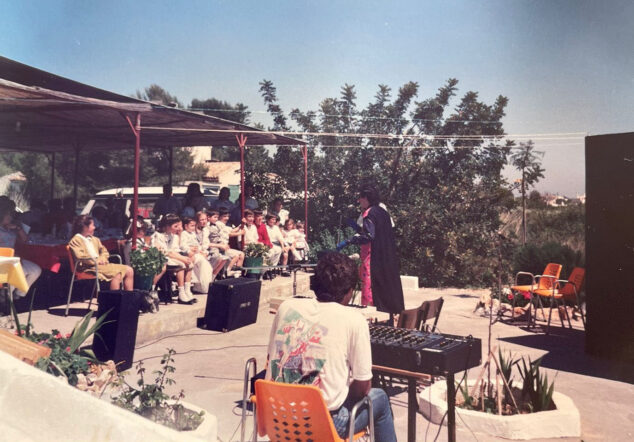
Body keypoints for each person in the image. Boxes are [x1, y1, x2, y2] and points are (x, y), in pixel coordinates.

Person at [266, 252, 396, 441]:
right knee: (380, 398)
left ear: (315, 283)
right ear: (350, 291)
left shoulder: (286, 307)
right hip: (321, 425)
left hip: (277, 416)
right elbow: (363, 386)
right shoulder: (354, 320)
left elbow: (271, 360)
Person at [337, 184, 404, 314]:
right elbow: (378, 232)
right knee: (386, 285)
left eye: (360, 198)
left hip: (373, 258)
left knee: (370, 286)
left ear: (366, 198)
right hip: (386, 257)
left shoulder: (369, 213)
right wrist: (356, 227)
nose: (358, 201)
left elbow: (368, 236)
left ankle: (370, 315)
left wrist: (349, 241)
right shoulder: (382, 212)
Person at [68, 215, 134, 291]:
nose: (94, 227)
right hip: (88, 268)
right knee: (117, 274)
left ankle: (129, 299)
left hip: (100, 266)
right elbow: (81, 257)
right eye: (92, 225)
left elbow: (104, 251)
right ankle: (114, 301)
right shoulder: (76, 240)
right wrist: (97, 261)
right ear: (85, 227)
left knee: (129, 270)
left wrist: (102, 258)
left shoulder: (95, 239)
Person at [0, 198, 42, 297]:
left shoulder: (11, 227)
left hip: (13, 260)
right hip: (4, 261)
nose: (11, 216)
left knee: (35, 270)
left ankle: (17, 295)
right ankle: (5, 297)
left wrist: (18, 228)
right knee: (21, 272)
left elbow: (25, 240)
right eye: (9, 214)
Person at [150, 213, 195, 304]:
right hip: (161, 258)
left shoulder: (172, 236)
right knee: (181, 265)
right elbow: (166, 252)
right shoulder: (157, 236)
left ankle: (186, 290)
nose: (178, 228)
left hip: (170, 257)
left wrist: (183, 258)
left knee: (189, 264)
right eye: (175, 226)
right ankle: (181, 293)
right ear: (167, 226)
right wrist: (182, 259)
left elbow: (174, 250)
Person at [180, 216, 214, 294]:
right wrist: (189, 250)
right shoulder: (184, 234)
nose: (193, 228)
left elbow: (197, 245)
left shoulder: (193, 234)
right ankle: (199, 286)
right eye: (191, 226)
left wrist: (200, 251)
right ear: (185, 226)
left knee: (207, 267)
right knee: (200, 264)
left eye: (194, 226)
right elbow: (182, 245)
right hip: (187, 254)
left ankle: (203, 286)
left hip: (196, 253)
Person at [215, 209, 245, 275]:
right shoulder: (218, 224)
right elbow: (230, 234)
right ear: (219, 217)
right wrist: (240, 233)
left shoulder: (224, 225)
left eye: (228, 216)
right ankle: (227, 271)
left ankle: (237, 271)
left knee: (241, 254)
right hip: (220, 248)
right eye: (224, 216)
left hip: (225, 247)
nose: (227, 218)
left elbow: (233, 230)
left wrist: (242, 224)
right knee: (236, 256)